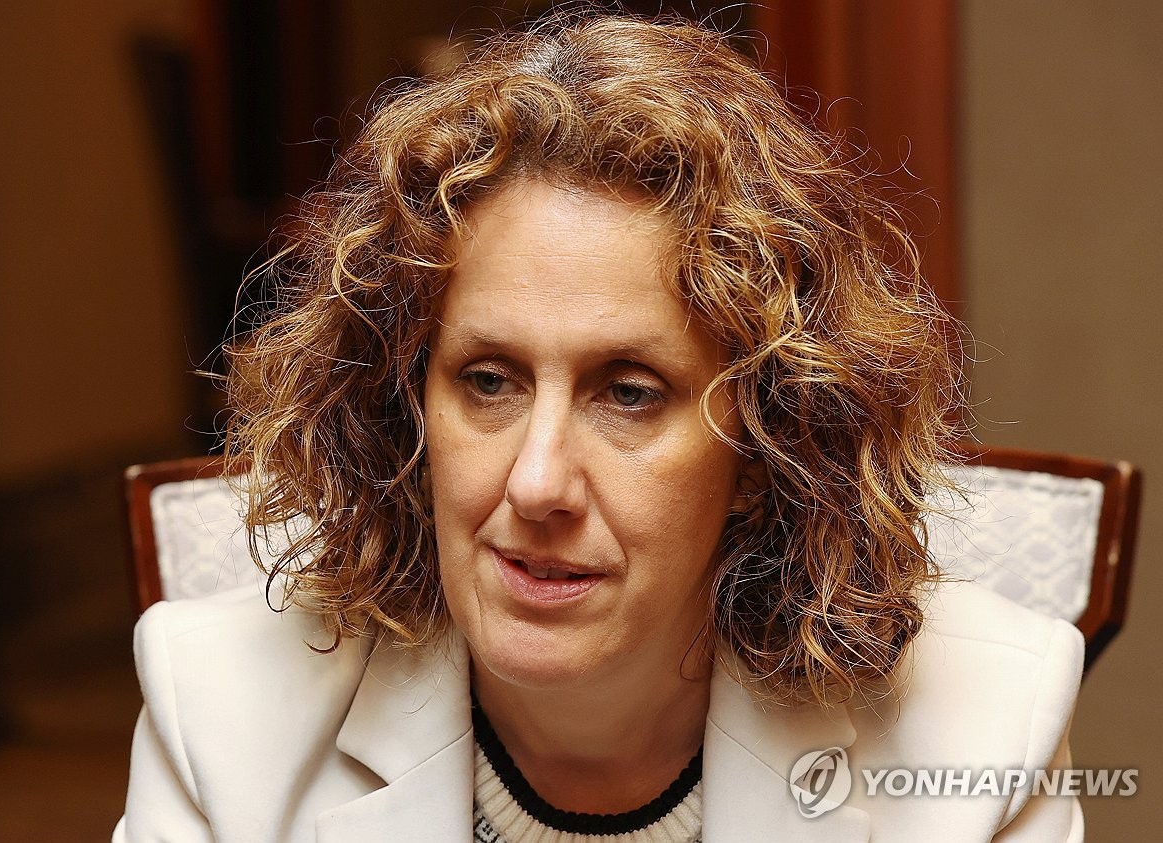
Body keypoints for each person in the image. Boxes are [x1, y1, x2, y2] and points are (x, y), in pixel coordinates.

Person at [114, 12, 1083, 843]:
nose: (537, 484)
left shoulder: (985, 731)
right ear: (410, 405)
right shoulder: (218, 712)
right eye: (487, 381)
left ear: (767, 443)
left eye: (629, 392)